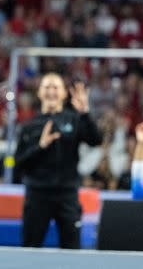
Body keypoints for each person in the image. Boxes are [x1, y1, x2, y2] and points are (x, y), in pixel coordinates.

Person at [14, 74, 101, 249]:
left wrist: (85, 113)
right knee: (30, 248)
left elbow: (95, 140)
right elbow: (18, 163)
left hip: (67, 195)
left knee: (72, 250)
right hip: (37, 195)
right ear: (39, 93)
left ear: (63, 93)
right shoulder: (29, 125)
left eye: (56, 87)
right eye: (47, 87)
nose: (51, 91)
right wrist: (40, 146)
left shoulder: (74, 119)